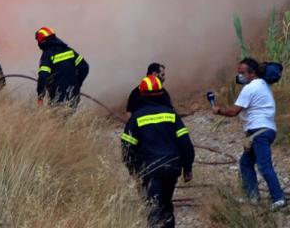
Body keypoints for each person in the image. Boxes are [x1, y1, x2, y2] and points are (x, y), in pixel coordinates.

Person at [211, 58, 286, 210]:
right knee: (245, 162)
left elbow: (233, 111)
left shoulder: (250, 88)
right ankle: (252, 196)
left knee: (264, 166)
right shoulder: (263, 85)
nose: (239, 76)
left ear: (252, 73)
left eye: (242, 73)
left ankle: (278, 198)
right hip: (263, 130)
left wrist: (218, 110)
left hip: (259, 131)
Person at [121, 75, 194, 228]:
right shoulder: (171, 114)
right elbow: (185, 143)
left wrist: (132, 169)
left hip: (149, 169)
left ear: (141, 94)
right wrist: (187, 168)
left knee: (153, 207)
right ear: (161, 93)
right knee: (166, 204)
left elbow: (127, 147)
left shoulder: (136, 118)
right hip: (171, 168)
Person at [35, 26, 88, 107]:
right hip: (73, 95)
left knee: (56, 118)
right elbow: (84, 67)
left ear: (42, 41)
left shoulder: (48, 55)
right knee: (70, 117)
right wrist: (77, 84)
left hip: (57, 96)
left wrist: (40, 96)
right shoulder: (69, 51)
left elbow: (43, 76)